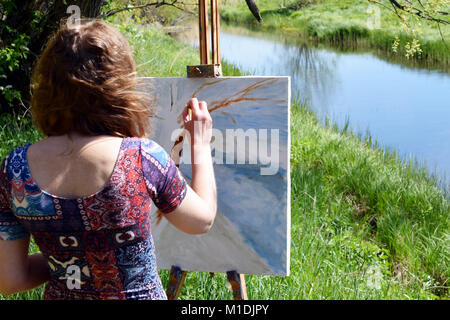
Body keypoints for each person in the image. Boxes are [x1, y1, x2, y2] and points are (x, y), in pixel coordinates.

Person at [0, 19, 216, 300]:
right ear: (121, 86)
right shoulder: (141, 158)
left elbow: (11, 279)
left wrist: (68, 259)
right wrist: (198, 144)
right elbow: (200, 221)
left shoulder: (14, 170)